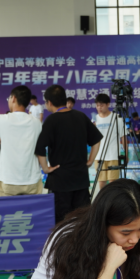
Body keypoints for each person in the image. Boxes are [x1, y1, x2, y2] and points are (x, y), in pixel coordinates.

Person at [36, 85, 102, 223]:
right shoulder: (80, 116)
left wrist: (46, 168)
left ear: (49, 102)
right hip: (80, 178)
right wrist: (90, 160)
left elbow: (40, 148)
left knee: (62, 222)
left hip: (60, 180)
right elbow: (96, 140)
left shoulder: (51, 120)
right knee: (82, 221)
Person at [0, 86, 43, 196]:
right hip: (32, 179)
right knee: (32, 207)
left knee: (9, 207)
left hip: (8, 179)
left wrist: (0, 139)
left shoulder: (1, 119)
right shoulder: (36, 122)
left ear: (13, 98)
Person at [94, 93, 125, 192]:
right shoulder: (94, 120)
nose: (99, 107)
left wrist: (125, 154)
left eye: (101, 105)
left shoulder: (117, 118)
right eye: (97, 105)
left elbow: (123, 137)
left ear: (108, 104)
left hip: (113, 155)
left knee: (113, 182)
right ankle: (103, 200)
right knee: (101, 182)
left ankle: (113, 200)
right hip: (99, 156)